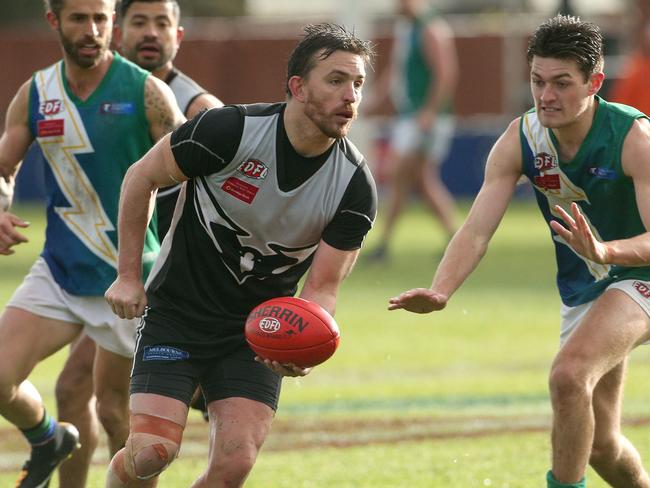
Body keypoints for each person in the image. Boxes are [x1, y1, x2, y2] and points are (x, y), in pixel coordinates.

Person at [103, 22, 376, 487]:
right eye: (335, 80)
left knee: (234, 465)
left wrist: (304, 340)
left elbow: (322, 288)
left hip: (256, 334)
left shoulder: (354, 187)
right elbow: (140, 178)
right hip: (177, 313)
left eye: (358, 84)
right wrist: (128, 274)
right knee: (150, 453)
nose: (350, 95)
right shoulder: (228, 130)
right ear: (297, 87)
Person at [389, 14, 650, 488]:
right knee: (600, 446)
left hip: (641, 274)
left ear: (594, 82)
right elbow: (475, 231)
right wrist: (441, 290)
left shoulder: (634, 138)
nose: (546, 96)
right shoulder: (522, 139)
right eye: (538, 81)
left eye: (562, 83)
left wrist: (607, 251)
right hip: (589, 286)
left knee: (568, 375)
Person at [0, 0, 185, 486]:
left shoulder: (148, 92)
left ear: (112, 22)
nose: (92, 29)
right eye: (79, 18)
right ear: (53, 21)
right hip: (58, 273)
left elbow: (199, 172)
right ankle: (47, 438)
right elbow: (3, 168)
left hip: (127, 280)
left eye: (101, 18)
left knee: (117, 417)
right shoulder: (36, 93)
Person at [52, 1, 223, 484]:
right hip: (116, 269)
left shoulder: (197, 107)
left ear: (179, 35)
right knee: (80, 394)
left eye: (162, 23)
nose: (151, 33)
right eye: (140, 22)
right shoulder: (105, 90)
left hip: (166, 280)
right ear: (118, 32)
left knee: (101, 401)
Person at [365, 0, 458, 261]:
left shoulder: (431, 28)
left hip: (425, 119)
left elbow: (446, 73)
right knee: (419, 181)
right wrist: (375, 100)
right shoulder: (407, 28)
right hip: (410, 118)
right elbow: (396, 72)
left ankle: (384, 243)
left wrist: (429, 111)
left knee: (401, 176)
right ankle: (454, 238)